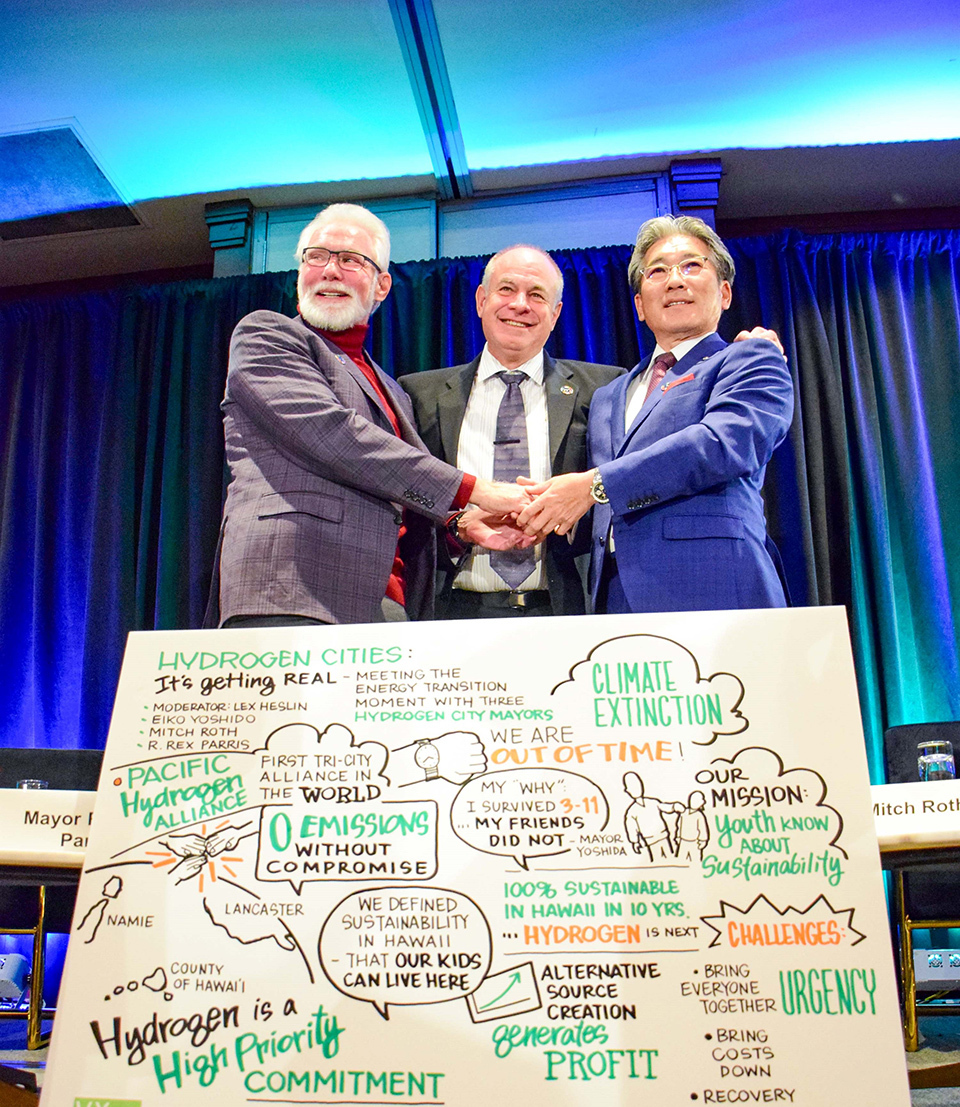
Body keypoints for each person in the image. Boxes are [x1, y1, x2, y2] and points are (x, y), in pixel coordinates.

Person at [206, 204, 530, 628]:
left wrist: (460, 524)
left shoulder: (391, 387)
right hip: (291, 589)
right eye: (316, 256)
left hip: (385, 601)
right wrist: (475, 490)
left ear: (382, 286)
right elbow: (335, 436)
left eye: (350, 260)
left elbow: (389, 486)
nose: (330, 270)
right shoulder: (266, 335)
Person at [516, 215, 794, 614]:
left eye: (692, 266)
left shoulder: (751, 358)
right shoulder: (610, 395)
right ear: (640, 306)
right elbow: (598, 504)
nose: (675, 280)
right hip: (616, 599)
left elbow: (721, 444)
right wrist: (531, 514)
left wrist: (594, 485)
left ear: (726, 292)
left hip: (718, 587)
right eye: (657, 271)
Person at [399, 245, 623, 618]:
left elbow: (621, 492)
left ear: (555, 314)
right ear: (481, 300)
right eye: (506, 290)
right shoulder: (419, 394)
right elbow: (404, 502)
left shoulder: (603, 388)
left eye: (537, 295)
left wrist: (562, 517)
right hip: (450, 613)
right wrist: (458, 528)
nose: (520, 304)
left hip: (565, 613)